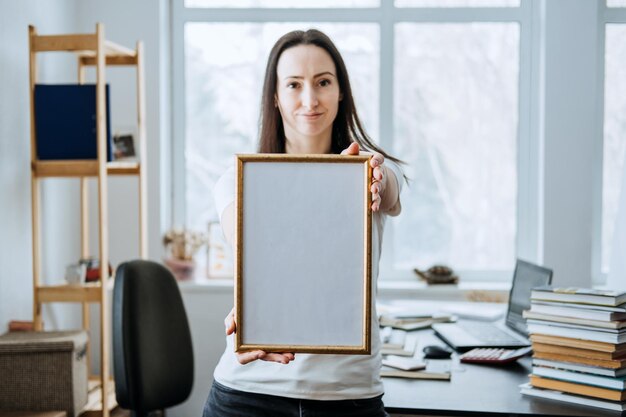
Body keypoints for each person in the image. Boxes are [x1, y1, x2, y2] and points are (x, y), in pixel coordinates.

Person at [204, 29, 404, 417]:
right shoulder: (236, 178)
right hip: (247, 395)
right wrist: (248, 314)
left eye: (323, 82)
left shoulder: (372, 169)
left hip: (349, 398)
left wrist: (377, 180)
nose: (310, 100)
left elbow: (391, 191)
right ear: (275, 97)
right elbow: (244, 242)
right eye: (294, 84)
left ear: (341, 90)